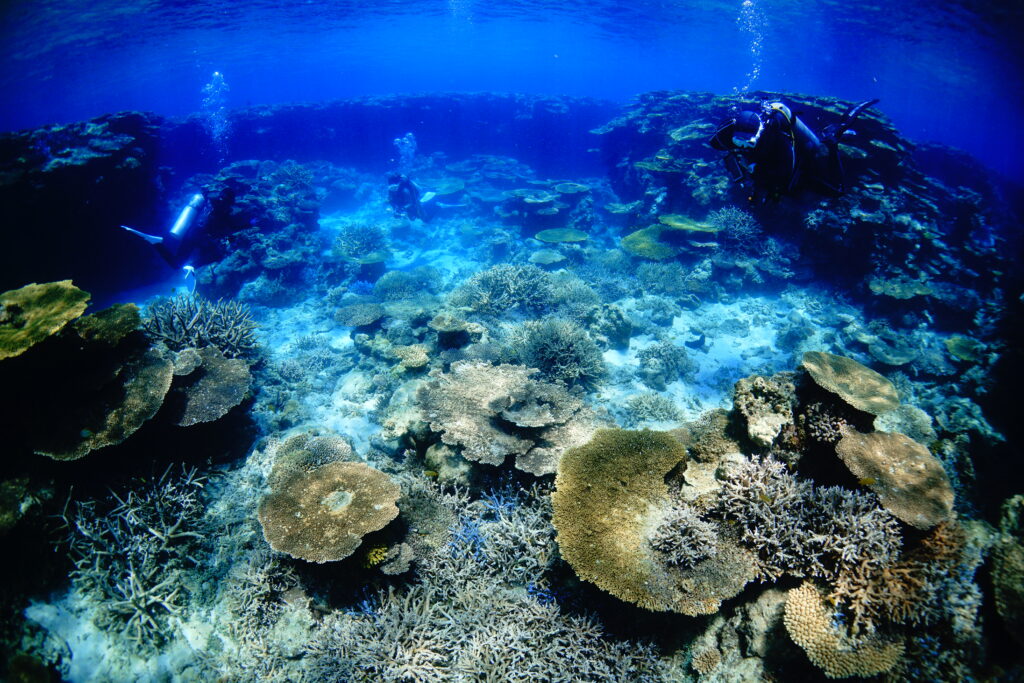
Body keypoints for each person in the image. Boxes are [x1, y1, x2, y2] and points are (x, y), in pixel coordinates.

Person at [709, 98, 879, 202]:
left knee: (837, 190)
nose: (743, 146)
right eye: (738, 141)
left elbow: (786, 172)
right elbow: (716, 143)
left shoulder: (776, 138)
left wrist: (757, 170)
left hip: (799, 154)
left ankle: (834, 136)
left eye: (749, 142)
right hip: (765, 156)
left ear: (759, 135)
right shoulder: (730, 131)